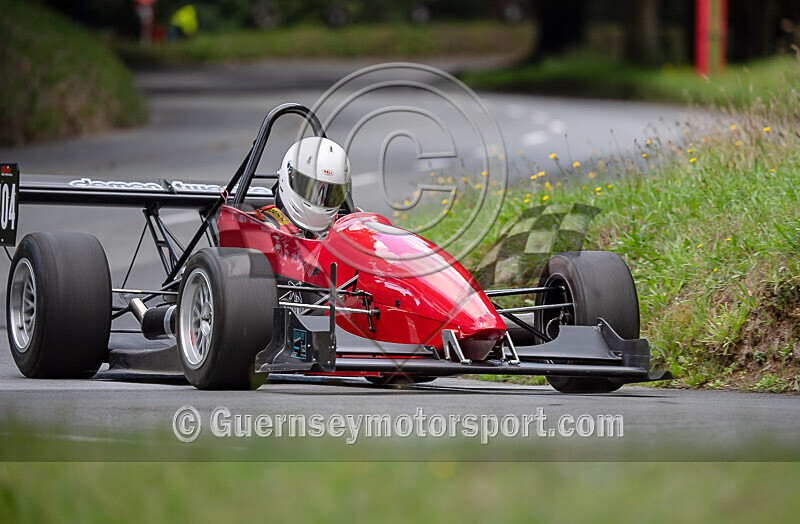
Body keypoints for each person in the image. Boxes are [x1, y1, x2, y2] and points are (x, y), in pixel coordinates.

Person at [254, 137, 351, 238]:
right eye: (310, 190)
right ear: (287, 176)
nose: (320, 201)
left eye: (331, 193)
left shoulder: (345, 226)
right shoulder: (265, 227)